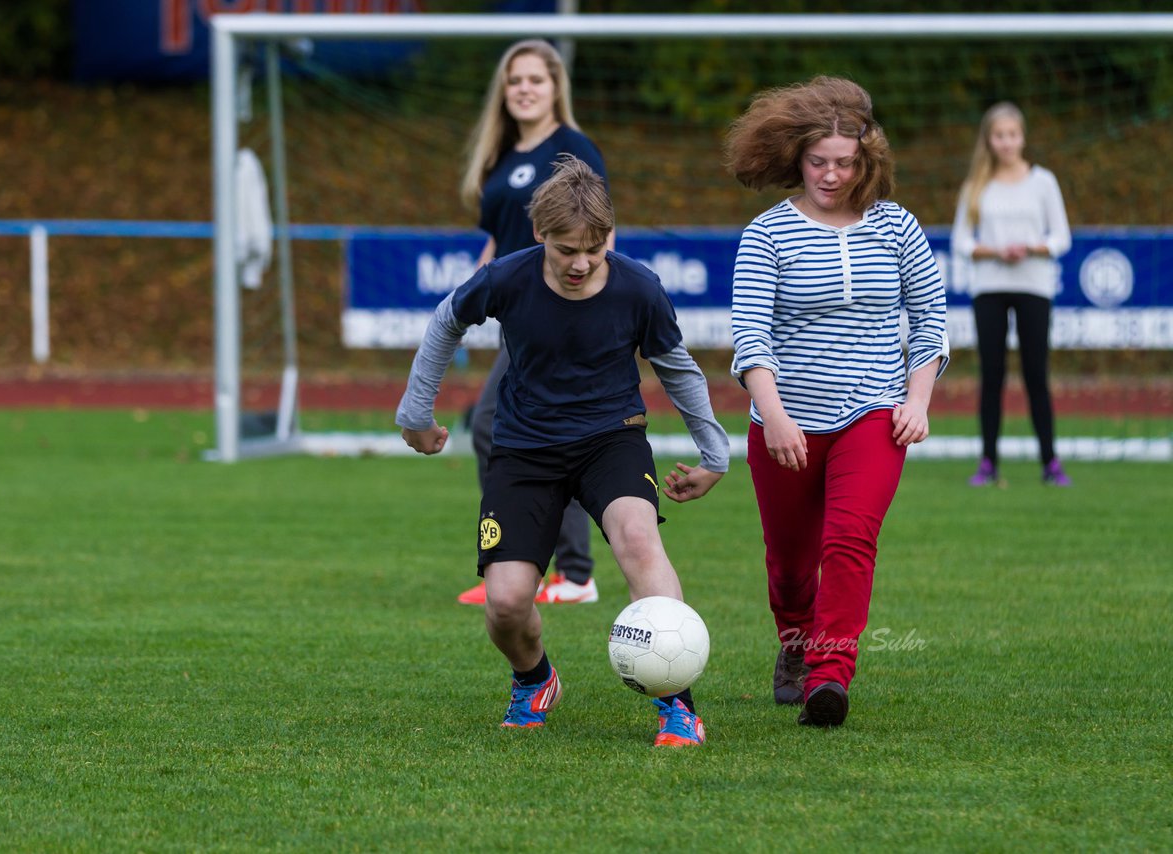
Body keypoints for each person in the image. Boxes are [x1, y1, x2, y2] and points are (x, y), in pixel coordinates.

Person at [397, 156, 730, 746]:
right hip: (525, 449)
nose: (580, 263)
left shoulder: (638, 288)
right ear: (539, 235)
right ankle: (535, 679)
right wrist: (415, 415)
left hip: (612, 438)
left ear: (612, 236)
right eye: (565, 250)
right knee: (505, 602)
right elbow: (445, 321)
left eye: (594, 249)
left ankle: (679, 706)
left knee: (637, 538)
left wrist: (714, 454)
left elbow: (676, 367)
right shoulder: (507, 278)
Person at [723, 76, 949, 727]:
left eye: (844, 163)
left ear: (867, 160)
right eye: (818, 161)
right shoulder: (767, 235)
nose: (830, 174)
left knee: (850, 541)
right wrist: (776, 416)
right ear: (797, 156)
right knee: (791, 566)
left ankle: (829, 676)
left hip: (874, 415)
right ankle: (794, 645)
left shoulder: (897, 226)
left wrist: (918, 399)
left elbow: (930, 318)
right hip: (786, 420)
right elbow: (751, 338)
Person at [455, 38, 610, 607]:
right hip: (517, 320)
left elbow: (599, 235)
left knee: (498, 426)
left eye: (535, 80)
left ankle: (563, 573)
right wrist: (470, 297)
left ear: (554, 88)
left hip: (560, 318)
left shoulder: (572, 148)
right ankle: (539, 570)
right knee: (510, 430)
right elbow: (499, 241)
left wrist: (590, 303)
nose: (524, 88)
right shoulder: (498, 158)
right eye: (514, 80)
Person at [952, 102, 1073, 487]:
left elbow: (1062, 237)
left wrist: (1034, 247)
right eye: (999, 135)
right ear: (989, 139)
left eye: (1013, 134)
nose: (1006, 142)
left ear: (1022, 137)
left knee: (1036, 374)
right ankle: (988, 463)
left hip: (1034, 286)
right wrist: (993, 251)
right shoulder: (976, 185)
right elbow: (960, 241)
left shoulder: (1044, 182)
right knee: (992, 375)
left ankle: (1050, 463)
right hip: (988, 287)